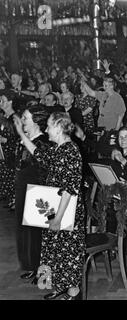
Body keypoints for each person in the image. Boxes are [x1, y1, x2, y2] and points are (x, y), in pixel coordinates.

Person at [13, 112, 86, 300]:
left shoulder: (71, 151)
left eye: (49, 126)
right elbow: (38, 153)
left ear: (60, 127)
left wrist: (58, 218)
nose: (46, 130)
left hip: (66, 212)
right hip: (55, 208)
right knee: (57, 251)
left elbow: (70, 189)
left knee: (68, 253)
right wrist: (21, 134)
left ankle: (74, 293)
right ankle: (62, 288)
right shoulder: (58, 148)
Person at [14, 106, 51, 282]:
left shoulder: (42, 141)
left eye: (25, 118)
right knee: (25, 229)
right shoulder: (27, 139)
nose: (22, 122)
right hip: (24, 188)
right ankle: (31, 265)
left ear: (36, 122)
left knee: (38, 232)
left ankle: (42, 269)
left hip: (38, 190)